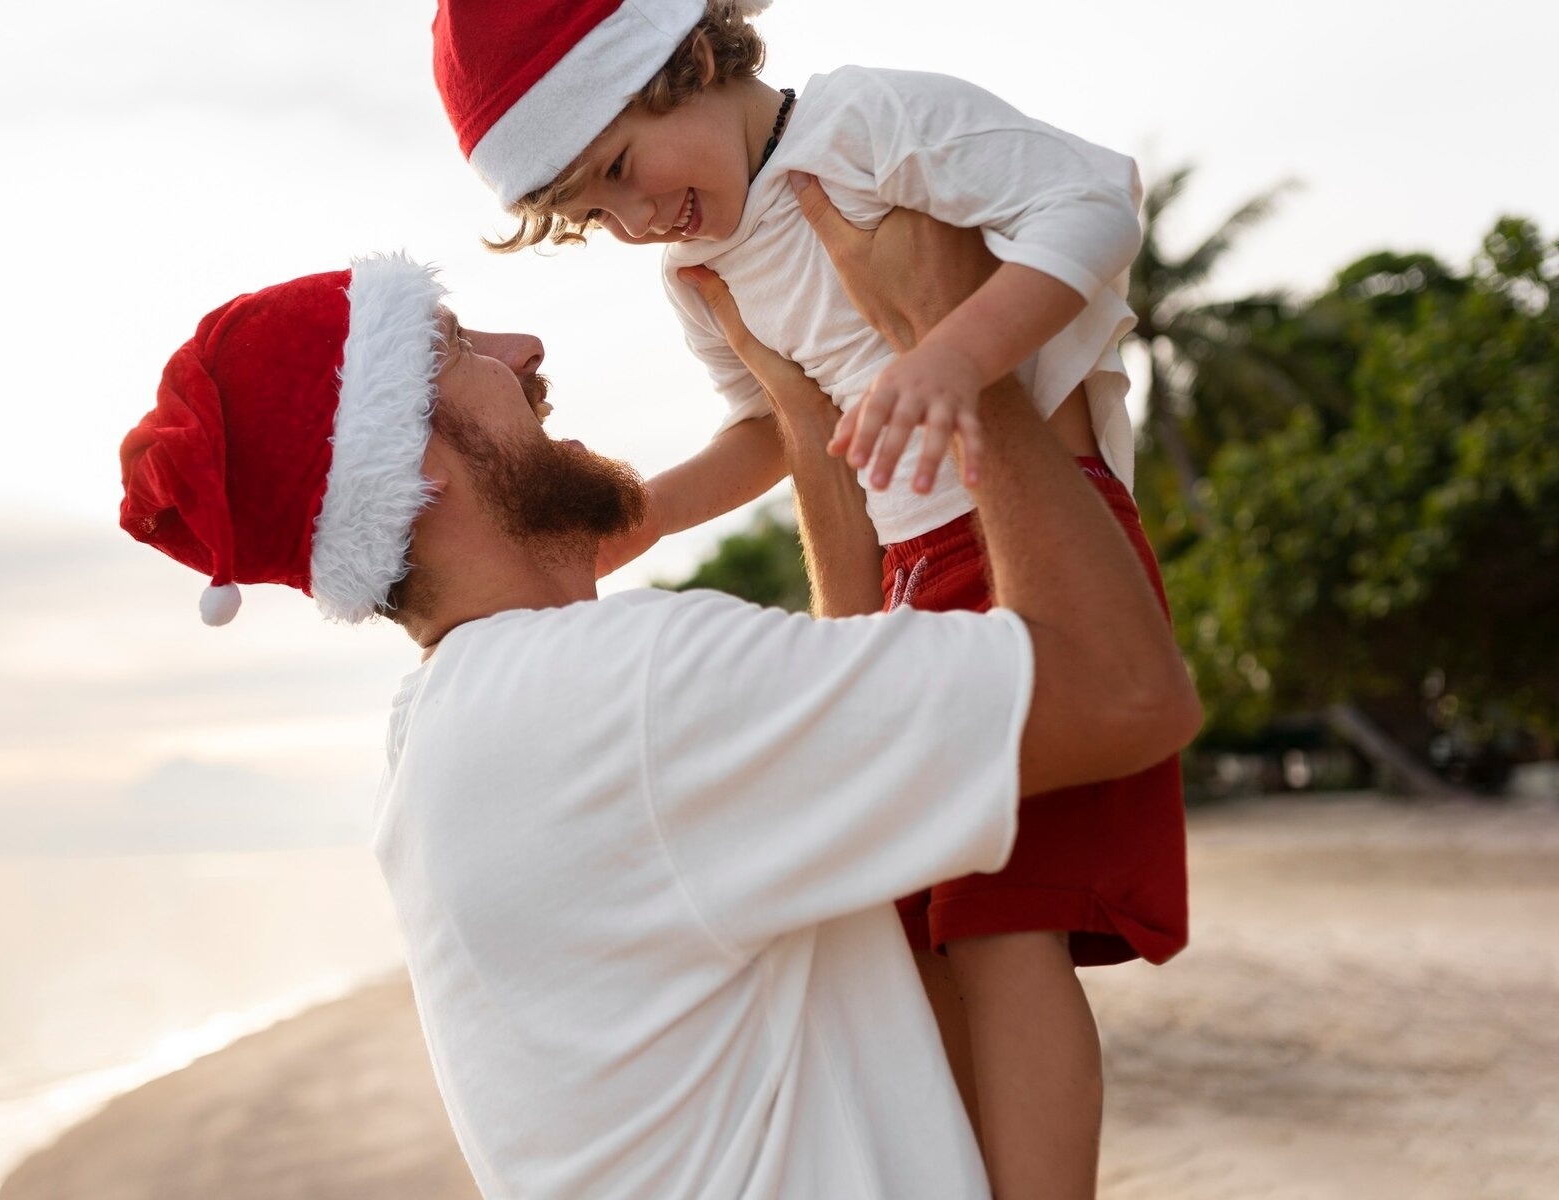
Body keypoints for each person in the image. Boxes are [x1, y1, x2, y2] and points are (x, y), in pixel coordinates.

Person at [118, 197, 1200, 1198]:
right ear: (407, 467)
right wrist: (964, 340)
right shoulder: (606, 697)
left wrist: (805, 419)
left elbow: (822, 746)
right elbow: (1122, 694)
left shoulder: (465, 730)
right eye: (452, 345)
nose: (524, 349)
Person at [432, 3, 1185, 1190]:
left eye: (624, 168)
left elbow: (1096, 202)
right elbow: (772, 432)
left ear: (687, 59)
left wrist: (950, 349)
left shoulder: (869, 123)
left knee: (1006, 931)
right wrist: (643, 518)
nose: (636, 220)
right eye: (592, 212)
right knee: (914, 927)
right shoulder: (699, 272)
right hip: (910, 576)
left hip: (1029, 536)